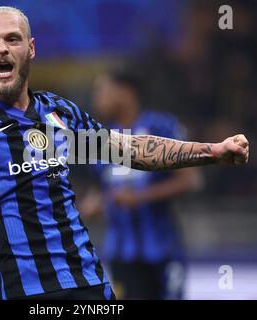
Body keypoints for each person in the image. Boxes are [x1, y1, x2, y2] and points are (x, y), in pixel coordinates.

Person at [0, 6, 250, 300]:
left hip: (87, 282)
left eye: (13, 39)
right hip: (19, 287)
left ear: (31, 48)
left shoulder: (58, 114)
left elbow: (128, 150)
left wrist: (212, 150)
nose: (2, 49)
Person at [82, 71, 202, 299]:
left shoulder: (162, 126)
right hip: (121, 255)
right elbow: (100, 190)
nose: (97, 98)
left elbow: (190, 181)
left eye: (102, 91)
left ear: (126, 93)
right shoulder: (100, 139)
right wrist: (94, 205)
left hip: (164, 250)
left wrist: (140, 197)